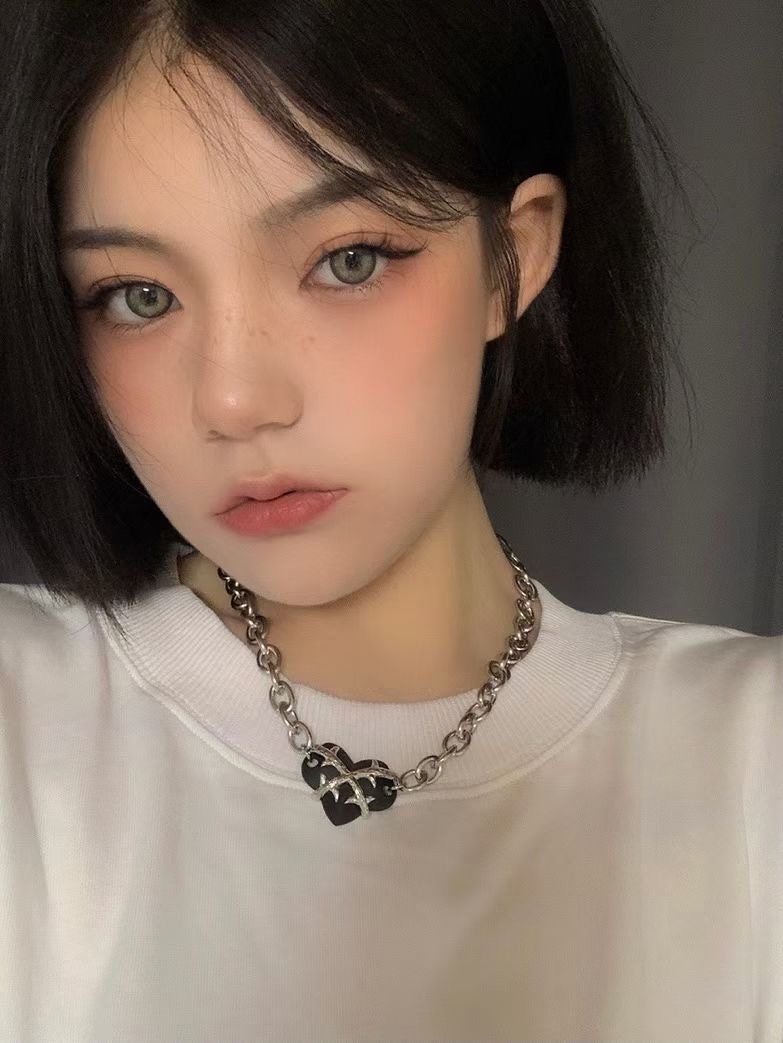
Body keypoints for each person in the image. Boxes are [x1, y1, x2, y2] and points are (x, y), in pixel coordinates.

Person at [0, 1, 780, 1040]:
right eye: (138, 295)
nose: (234, 400)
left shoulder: (749, 757)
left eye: (348, 260)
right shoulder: (25, 723)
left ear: (514, 254)